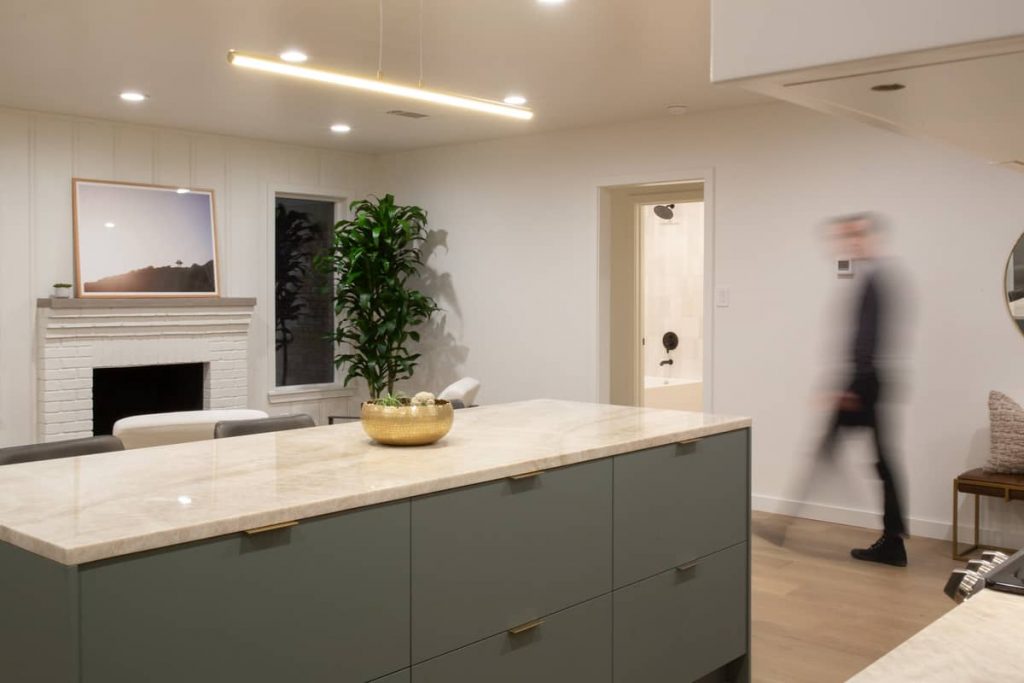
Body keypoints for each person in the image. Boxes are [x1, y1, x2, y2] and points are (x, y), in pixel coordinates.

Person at [820, 212, 909, 566]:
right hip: (869, 379)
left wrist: (854, 385)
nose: (848, 242)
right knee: (880, 460)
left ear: (871, 237)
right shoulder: (874, 277)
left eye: (855, 235)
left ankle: (785, 522)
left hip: (866, 381)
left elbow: (869, 337)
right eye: (844, 236)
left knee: (846, 452)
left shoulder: (875, 279)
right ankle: (894, 539)